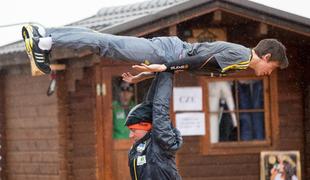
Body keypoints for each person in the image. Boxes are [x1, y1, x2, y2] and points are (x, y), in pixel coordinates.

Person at [21, 24, 288, 77]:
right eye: (272, 68)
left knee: (107, 43)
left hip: (167, 55)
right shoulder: (241, 56)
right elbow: (195, 60)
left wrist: (148, 74)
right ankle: (45, 38)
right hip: (169, 52)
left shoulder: (241, 62)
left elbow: (193, 64)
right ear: (266, 57)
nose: (268, 73)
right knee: (108, 43)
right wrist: (165, 67)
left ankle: (48, 38)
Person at [125, 72, 183, 179]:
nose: (130, 135)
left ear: (146, 125)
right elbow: (150, 106)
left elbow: (160, 108)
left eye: (133, 130)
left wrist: (167, 71)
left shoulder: (161, 142)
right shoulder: (138, 147)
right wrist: (159, 73)